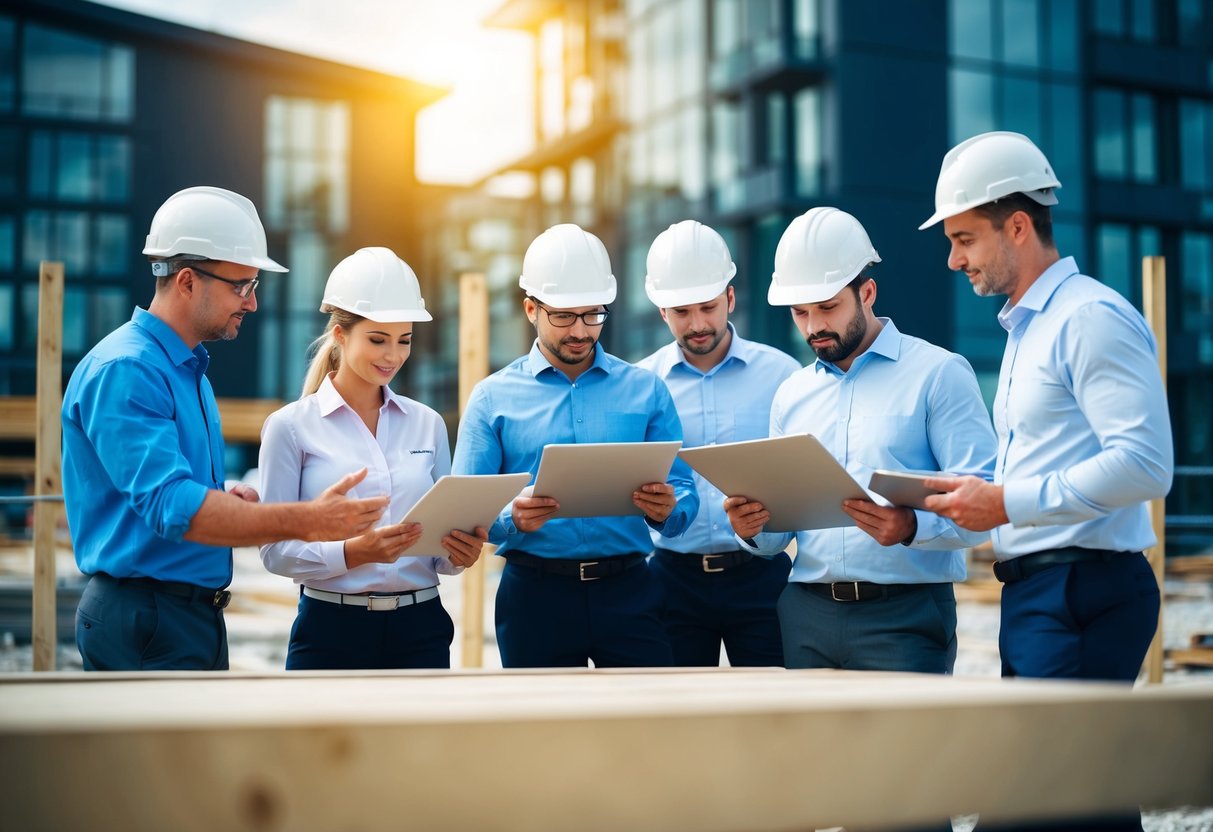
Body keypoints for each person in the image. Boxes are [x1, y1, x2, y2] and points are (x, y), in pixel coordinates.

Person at [63, 186, 390, 672]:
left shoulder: (183, 369)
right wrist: (308, 520)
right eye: (242, 286)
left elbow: (174, 494)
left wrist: (219, 495)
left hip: (181, 615)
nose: (253, 304)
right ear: (189, 281)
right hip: (147, 620)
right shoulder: (128, 370)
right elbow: (172, 507)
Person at [725, 206, 997, 678]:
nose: (812, 327)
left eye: (827, 307)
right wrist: (751, 528)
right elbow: (777, 537)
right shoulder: (792, 394)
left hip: (906, 618)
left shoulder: (939, 375)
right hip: (805, 615)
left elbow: (986, 510)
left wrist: (911, 528)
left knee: (906, 754)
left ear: (866, 292)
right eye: (800, 312)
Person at [451, 223, 699, 668]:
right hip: (534, 598)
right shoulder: (491, 398)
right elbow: (463, 511)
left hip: (632, 595)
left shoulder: (647, 391)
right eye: (564, 316)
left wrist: (669, 508)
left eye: (593, 314)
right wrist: (511, 518)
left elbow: (683, 492)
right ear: (531, 309)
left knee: (645, 732)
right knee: (542, 736)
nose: (581, 331)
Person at [258, 247, 486, 670]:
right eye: (378, 340)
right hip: (330, 630)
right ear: (341, 335)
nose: (393, 356)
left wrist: (459, 553)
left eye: (405, 341)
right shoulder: (290, 427)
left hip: (422, 629)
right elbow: (275, 551)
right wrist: (354, 552)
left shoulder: (428, 424)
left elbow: (438, 555)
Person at [634, 220, 798, 667]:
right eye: (681, 312)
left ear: (730, 297)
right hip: (671, 580)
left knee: (772, 719)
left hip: (762, 574)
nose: (698, 323)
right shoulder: (641, 386)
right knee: (681, 725)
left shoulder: (783, 376)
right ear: (662, 312)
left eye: (707, 307)